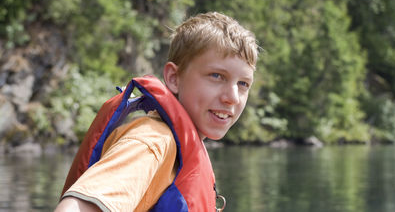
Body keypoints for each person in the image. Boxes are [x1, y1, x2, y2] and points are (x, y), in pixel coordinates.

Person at [54, 12, 259, 212]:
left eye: (243, 83)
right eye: (216, 76)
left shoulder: (175, 146)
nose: (232, 97)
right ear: (173, 78)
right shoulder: (152, 143)